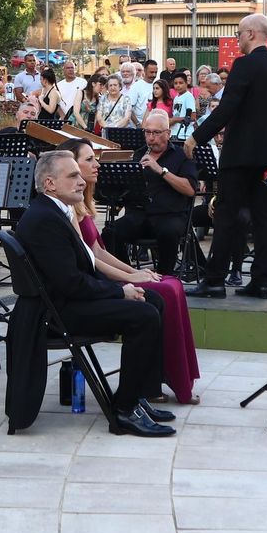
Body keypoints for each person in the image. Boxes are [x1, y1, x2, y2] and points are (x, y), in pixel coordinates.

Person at [12, 150, 173, 437]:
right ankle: (123, 411)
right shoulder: (44, 219)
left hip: (67, 301)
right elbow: (71, 283)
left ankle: (138, 396)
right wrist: (119, 292)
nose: (81, 181)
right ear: (49, 184)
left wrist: (122, 289)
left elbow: (82, 270)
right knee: (144, 315)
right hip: (56, 313)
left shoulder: (55, 210)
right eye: (72, 176)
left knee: (154, 300)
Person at [68, 139, 200, 405]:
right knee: (164, 290)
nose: (97, 164)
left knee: (172, 284)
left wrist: (136, 272)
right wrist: (131, 277)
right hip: (97, 283)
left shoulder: (83, 201)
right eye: (90, 160)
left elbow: (99, 251)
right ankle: (154, 383)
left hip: (116, 261)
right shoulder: (70, 206)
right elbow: (91, 258)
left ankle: (169, 379)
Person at [186, 15, 267, 299]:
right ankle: (261, 282)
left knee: (225, 216)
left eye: (239, 34)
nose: (237, 39)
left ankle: (214, 280)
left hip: (239, 157)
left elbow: (227, 108)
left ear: (251, 33)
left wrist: (197, 136)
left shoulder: (244, 64)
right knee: (264, 218)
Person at [105, 112, 198, 277]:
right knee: (110, 232)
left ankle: (165, 278)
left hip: (171, 215)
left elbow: (190, 189)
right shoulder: (139, 154)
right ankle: (129, 274)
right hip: (140, 215)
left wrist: (161, 170)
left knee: (168, 232)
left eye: (156, 133)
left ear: (167, 134)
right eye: (147, 132)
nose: (151, 137)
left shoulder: (182, 155)